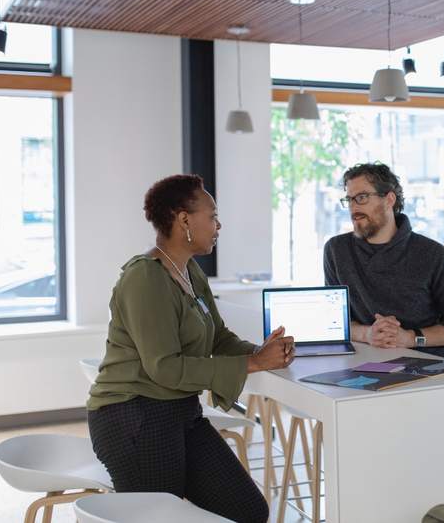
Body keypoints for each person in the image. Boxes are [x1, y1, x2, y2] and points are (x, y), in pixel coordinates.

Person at [87, 174, 294, 523]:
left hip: (179, 411)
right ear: (184, 219)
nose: (218, 224)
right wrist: (253, 363)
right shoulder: (145, 277)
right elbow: (164, 367)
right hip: (133, 415)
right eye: (212, 216)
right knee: (160, 518)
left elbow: (218, 337)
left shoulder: (189, 271)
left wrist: (263, 351)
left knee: (247, 510)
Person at [323, 162, 444, 357]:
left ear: (389, 199)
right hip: (362, 360)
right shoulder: (336, 250)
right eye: (349, 200)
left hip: (427, 364)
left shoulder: (432, 253)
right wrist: (368, 334)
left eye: (362, 198)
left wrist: (410, 338)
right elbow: (334, 319)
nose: (353, 208)